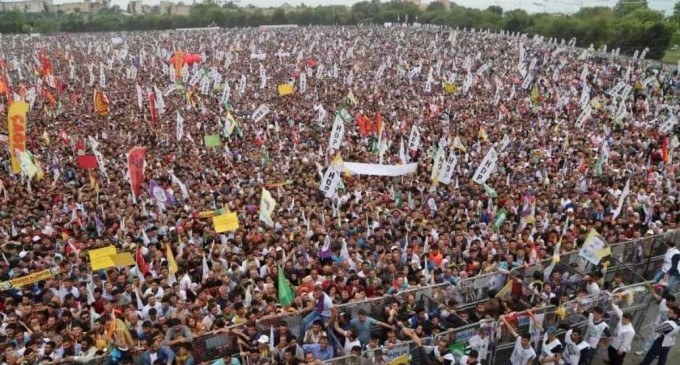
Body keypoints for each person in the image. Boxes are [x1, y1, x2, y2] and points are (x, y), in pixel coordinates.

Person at [636, 283, 677, 356]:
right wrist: (650, 287)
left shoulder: (676, 310)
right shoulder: (663, 302)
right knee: (650, 337)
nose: (668, 303)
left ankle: (657, 354)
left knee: (660, 342)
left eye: (669, 302)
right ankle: (644, 350)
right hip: (657, 324)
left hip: (666, 329)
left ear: (673, 302)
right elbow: (654, 294)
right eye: (667, 301)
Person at [607, 296, 635, 365]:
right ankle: (611, 362)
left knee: (617, 361)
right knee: (610, 353)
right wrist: (612, 303)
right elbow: (618, 311)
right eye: (623, 319)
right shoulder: (621, 320)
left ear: (630, 321)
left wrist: (621, 350)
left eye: (626, 320)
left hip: (620, 347)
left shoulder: (630, 331)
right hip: (614, 342)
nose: (623, 321)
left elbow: (626, 342)